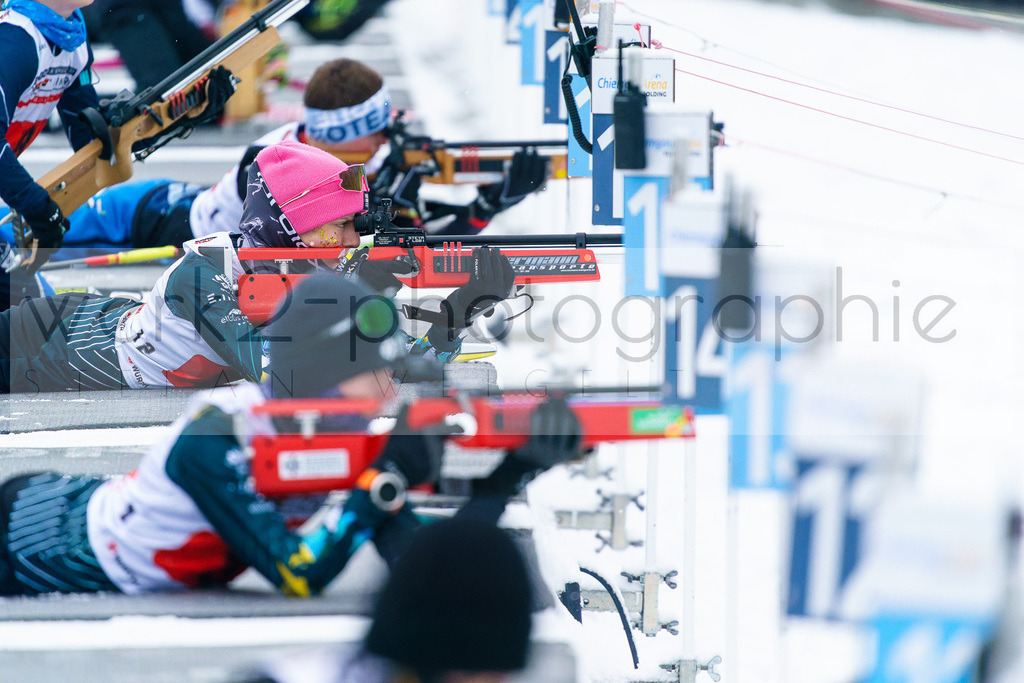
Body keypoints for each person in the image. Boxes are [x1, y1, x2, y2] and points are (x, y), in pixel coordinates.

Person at [0, 272, 584, 598]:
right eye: (374, 376)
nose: (387, 395)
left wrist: (512, 473)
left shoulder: (333, 440)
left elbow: (421, 570)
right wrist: (388, 476)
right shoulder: (216, 436)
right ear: (323, 378)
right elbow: (299, 572)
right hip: (32, 536)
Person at [0, 140, 516, 393]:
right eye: (338, 225)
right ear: (291, 231)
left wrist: (456, 314)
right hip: (64, 350)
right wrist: (353, 291)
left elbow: (395, 372)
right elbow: (280, 375)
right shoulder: (204, 274)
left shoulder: (309, 274)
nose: (352, 239)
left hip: (94, 319)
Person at [0, 58, 549, 259]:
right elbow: (376, 228)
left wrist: (490, 201)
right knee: (12, 240)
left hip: (183, 220)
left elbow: (415, 235)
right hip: (146, 222)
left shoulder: (350, 162)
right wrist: (395, 194)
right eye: (378, 131)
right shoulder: (274, 161)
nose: (388, 141)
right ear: (346, 137)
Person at [0, 0, 100, 307]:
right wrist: (36, 205)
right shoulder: (16, 41)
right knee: (31, 318)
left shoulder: (72, 37)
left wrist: (183, 108)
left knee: (35, 314)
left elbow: (92, 142)